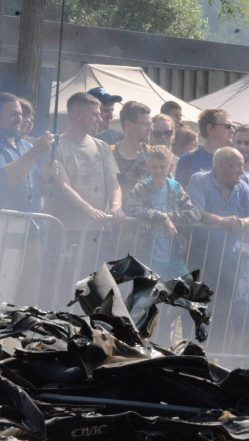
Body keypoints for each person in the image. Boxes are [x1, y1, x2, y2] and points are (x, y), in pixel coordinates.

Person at [186, 146, 249, 346]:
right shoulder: (199, 180)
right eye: (236, 166)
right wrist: (221, 221)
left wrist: (242, 223)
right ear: (220, 166)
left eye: (242, 166)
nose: (241, 171)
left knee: (223, 310)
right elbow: (195, 210)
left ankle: (215, 356)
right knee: (195, 310)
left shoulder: (243, 186)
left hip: (228, 260)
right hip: (199, 256)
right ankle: (189, 355)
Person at [0, 93, 55, 305]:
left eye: (21, 114)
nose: (20, 119)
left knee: (28, 292)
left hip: (31, 231)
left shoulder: (24, 146)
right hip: (3, 231)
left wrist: (46, 178)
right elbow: (4, 180)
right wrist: (36, 153)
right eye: (14, 114)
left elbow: (36, 190)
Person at [48, 92, 124, 238]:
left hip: (100, 229)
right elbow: (62, 186)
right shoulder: (55, 146)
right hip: (67, 229)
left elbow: (113, 184)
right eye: (95, 115)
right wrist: (90, 210)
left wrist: (116, 206)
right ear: (78, 114)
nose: (99, 119)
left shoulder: (103, 147)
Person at [125, 145, 201, 280]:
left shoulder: (176, 188)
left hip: (173, 253)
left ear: (170, 167)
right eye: (154, 166)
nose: (158, 170)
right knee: (147, 292)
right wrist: (160, 217)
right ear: (148, 166)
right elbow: (132, 208)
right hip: (145, 251)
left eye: (162, 166)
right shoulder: (141, 187)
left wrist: (169, 216)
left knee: (175, 293)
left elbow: (194, 213)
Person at [176, 108, 234, 187]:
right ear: (210, 129)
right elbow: (180, 194)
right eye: (228, 126)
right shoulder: (188, 159)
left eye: (233, 126)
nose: (232, 130)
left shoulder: (235, 160)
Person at [111, 100, 152, 193]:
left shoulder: (153, 154)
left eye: (151, 124)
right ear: (128, 124)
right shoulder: (109, 153)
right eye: (146, 124)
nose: (151, 128)